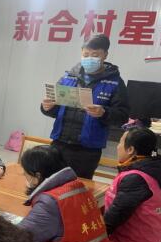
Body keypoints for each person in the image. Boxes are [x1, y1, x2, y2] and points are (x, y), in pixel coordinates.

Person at [41, 34, 130, 179]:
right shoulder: (68, 77)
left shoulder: (115, 83)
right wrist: (46, 107)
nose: (89, 59)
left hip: (87, 151)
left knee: (79, 186)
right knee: (51, 182)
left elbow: (122, 116)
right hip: (59, 143)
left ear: (105, 55)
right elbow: (56, 108)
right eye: (86, 54)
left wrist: (104, 113)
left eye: (95, 55)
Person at [104, 127, 161, 242]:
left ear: (130, 150)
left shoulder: (135, 178)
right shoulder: (149, 169)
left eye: (120, 142)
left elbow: (114, 218)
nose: (117, 147)